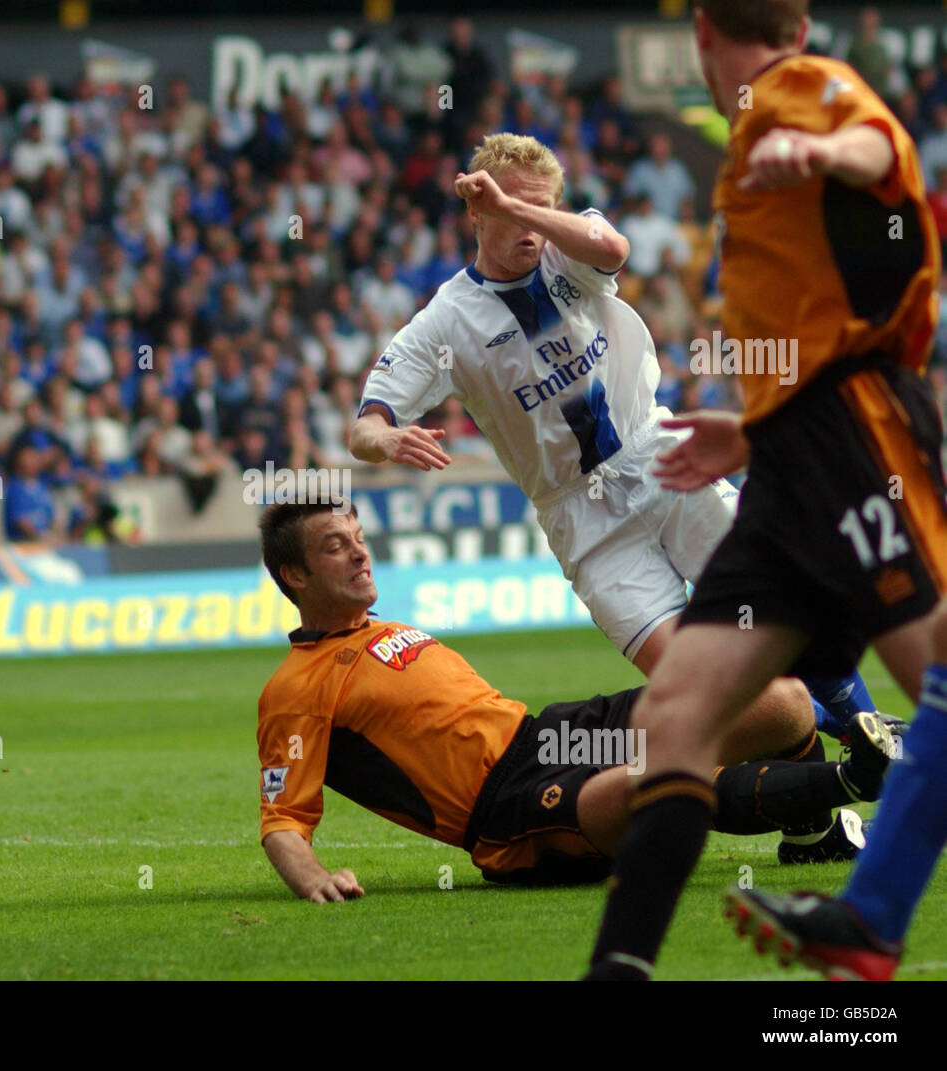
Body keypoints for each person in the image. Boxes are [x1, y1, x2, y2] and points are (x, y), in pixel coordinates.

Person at [346, 131, 884, 860]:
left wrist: (526, 210)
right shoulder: (446, 322)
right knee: (709, 684)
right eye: (507, 206)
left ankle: (869, 749)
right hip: (587, 523)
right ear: (475, 210)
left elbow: (614, 247)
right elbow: (364, 425)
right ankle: (825, 808)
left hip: (661, 459)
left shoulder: (568, 254)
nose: (528, 223)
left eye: (542, 206)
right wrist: (387, 442)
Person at [582, 0, 942, 981]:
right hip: (790, 459)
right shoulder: (756, 123)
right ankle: (617, 973)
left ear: (702, 29)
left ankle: (869, 923)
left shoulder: (787, 87)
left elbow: (874, 140)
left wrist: (824, 157)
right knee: (677, 718)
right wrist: (751, 431)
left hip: (854, 436)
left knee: (940, 681)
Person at [256, 501, 896, 901]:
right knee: (651, 782)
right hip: (506, 811)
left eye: (357, 535)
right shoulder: (295, 689)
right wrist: (311, 878)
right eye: (336, 545)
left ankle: (813, 839)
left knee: (777, 700)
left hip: (549, 734)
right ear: (297, 575)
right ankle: (848, 780)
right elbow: (282, 818)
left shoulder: (385, 630)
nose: (360, 550)